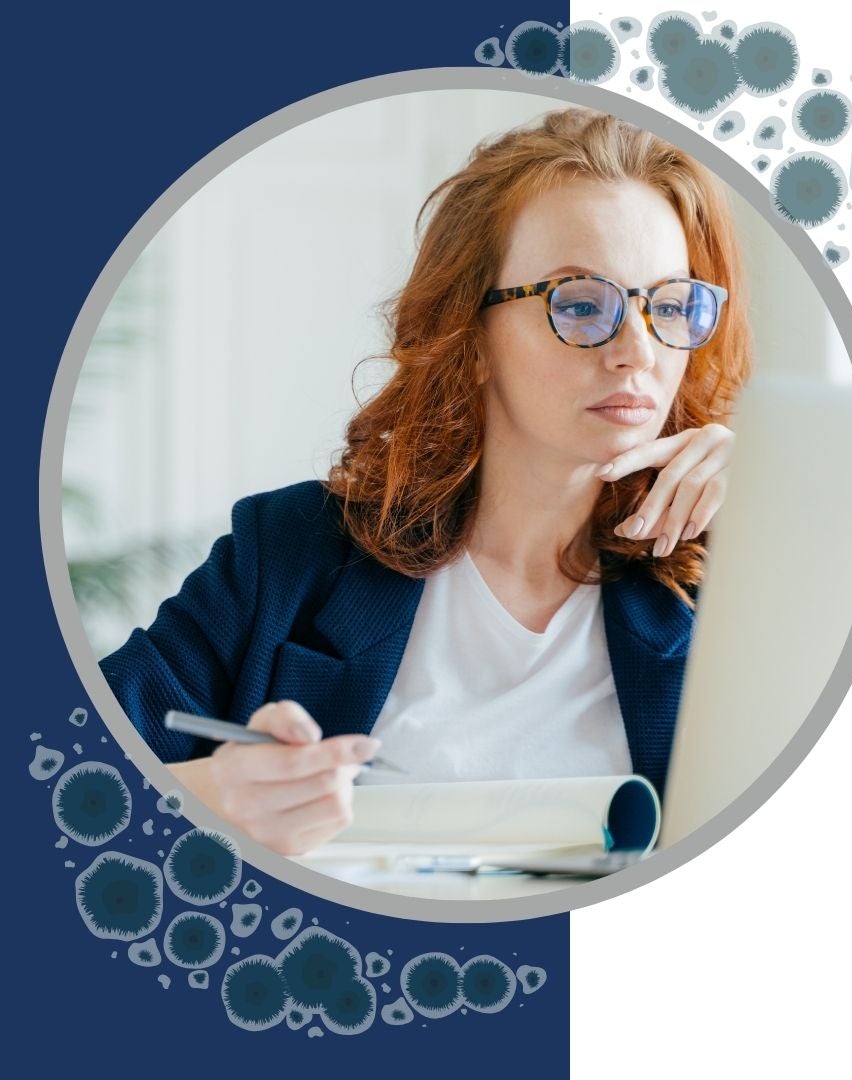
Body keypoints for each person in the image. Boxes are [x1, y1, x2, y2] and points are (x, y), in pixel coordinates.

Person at [99, 107, 752, 855]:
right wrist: (210, 800)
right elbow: (67, 777)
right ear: (469, 336)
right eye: (579, 304)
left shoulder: (730, 578)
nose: (637, 350)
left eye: (669, 305)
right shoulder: (286, 555)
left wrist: (775, 522)